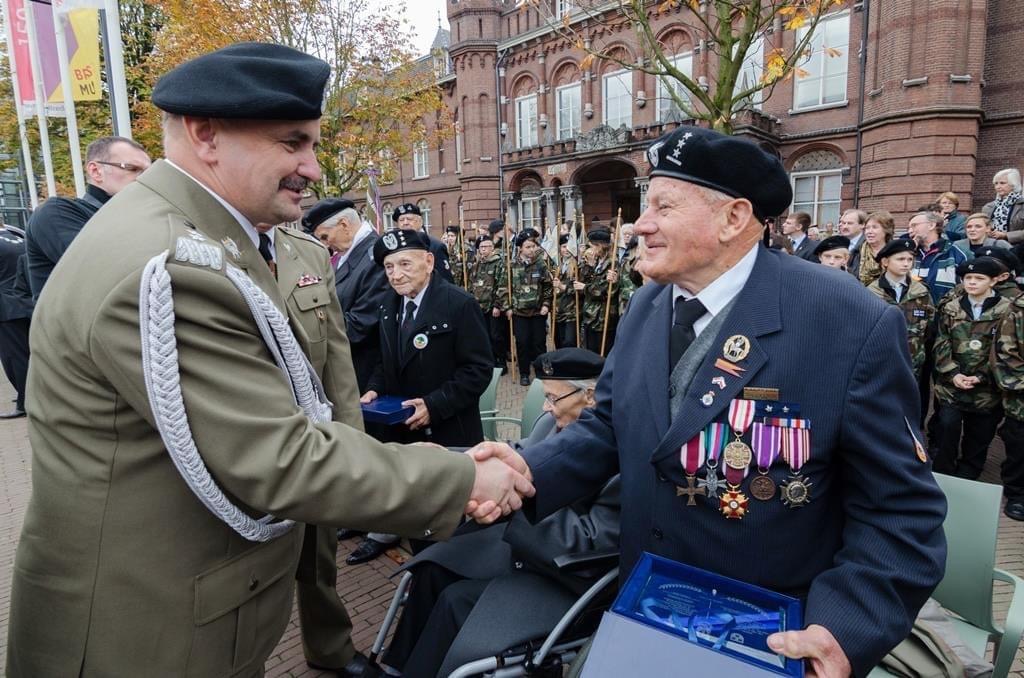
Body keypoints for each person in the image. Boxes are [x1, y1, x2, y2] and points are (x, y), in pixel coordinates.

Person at [6, 43, 532, 677]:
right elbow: (276, 457)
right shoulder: (172, 264)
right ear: (206, 134)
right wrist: (461, 479)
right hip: (148, 634)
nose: (312, 167)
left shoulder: (201, 240)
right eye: (292, 143)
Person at [468, 124, 947, 678]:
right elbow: (610, 426)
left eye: (663, 207)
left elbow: (900, 511)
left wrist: (842, 630)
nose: (640, 224)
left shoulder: (845, 320)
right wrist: (527, 469)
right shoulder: (648, 305)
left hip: (766, 635)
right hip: (648, 607)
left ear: (733, 218)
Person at [380, 348, 618, 678]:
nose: (545, 408)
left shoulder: (623, 453)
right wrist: (451, 461)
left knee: (455, 601)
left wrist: (514, 501)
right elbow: (515, 456)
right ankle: (397, 667)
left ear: (590, 396)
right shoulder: (553, 425)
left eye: (553, 398)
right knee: (431, 571)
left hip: (567, 574)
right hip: (526, 550)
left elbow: (591, 542)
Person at [250, 220, 363, 674]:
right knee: (246, 572)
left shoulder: (308, 252)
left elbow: (335, 352)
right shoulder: (192, 241)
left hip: (313, 434)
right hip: (244, 439)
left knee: (319, 556)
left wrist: (351, 441)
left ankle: (329, 647)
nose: (303, 184)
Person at [352, 228, 493, 565]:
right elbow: (386, 361)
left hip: (447, 432)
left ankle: (449, 579)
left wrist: (433, 405)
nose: (396, 275)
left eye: (405, 264)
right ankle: (422, 575)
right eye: (389, 267)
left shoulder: (459, 304)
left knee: (450, 523)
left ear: (429, 262)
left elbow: (477, 370)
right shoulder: (389, 305)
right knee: (416, 515)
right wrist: (374, 388)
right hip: (403, 433)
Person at [25, 135, 151, 299]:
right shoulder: (57, 212)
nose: (145, 178)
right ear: (96, 171)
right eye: (132, 169)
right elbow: (106, 271)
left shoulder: (138, 218)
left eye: (149, 172)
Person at [932, 256, 1013, 479]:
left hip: (987, 389)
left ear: (994, 281)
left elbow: (1006, 350)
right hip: (952, 386)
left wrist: (981, 376)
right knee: (946, 429)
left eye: (979, 278)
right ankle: (943, 475)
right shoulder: (951, 307)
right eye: (968, 278)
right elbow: (941, 343)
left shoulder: (1007, 310)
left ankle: (969, 475)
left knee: (979, 437)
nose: (972, 282)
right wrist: (953, 373)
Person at [303, 198, 390, 393]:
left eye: (325, 237)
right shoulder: (350, 254)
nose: (325, 244)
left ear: (344, 225)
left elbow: (361, 323)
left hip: (365, 371)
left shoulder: (375, 256)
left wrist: (309, 331)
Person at [866, 239, 934, 378]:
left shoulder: (921, 292)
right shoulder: (871, 293)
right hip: (880, 364)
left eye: (910, 259)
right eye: (900, 259)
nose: (906, 263)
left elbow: (930, 329)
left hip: (914, 365)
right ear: (885, 262)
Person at [499, 228, 553, 385]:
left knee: (539, 343)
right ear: (520, 248)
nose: (531, 250)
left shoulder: (541, 264)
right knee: (522, 342)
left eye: (533, 246)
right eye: (528, 247)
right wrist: (507, 308)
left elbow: (548, 286)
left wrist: (546, 304)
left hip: (537, 312)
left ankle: (541, 372)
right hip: (519, 312)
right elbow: (503, 288)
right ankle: (524, 373)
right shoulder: (511, 265)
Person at [994, 290, 1024, 521]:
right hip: (1021, 397)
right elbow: (1005, 351)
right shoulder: (1017, 309)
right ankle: (1017, 494)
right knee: (1019, 446)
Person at [0, 222, 32, 418]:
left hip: (6, 308)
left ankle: (24, 402)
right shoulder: (18, 237)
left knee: (14, 357)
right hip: (25, 302)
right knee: (28, 354)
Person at [576, 228, 619, 356]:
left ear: (600, 246)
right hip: (590, 315)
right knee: (590, 351)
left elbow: (604, 291)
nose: (589, 250)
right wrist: (589, 266)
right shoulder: (596, 261)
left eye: (592, 246)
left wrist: (584, 288)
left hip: (603, 316)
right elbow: (585, 279)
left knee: (603, 352)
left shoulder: (612, 263)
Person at [910, 211, 969, 304]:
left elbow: (967, 287)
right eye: (909, 227)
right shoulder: (909, 255)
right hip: (913, 310)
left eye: (914, 225)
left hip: (946, 310)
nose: (910, 231)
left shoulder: (957, 252)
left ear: (931, 225)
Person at [391, 203, 454, 283]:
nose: (405, 222)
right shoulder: (395, 248)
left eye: (409, 219)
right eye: (401, 220)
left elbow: (446, 281)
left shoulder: (435, 246)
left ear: (420, 221)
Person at [553, 234, 581, 348]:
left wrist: (562, 287)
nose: (567, 250)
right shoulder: (555, 264)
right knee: (559, 343)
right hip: (557, 311)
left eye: (569, 247)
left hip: (572, 312)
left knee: (569, 342)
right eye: (564, 246)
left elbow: (581, 289)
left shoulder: (579, 266)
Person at [982, 168, 1024, 241]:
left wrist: (1006, 235)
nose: (998, 187)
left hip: (1017, 246)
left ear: (1013, 185)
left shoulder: (1022, 205)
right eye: (996, 183)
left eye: (1002, 183)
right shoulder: (988, 207)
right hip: (991, 244)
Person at [854, 211, 894, 285]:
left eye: (874, 227)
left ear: (886, 230)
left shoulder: (896, 252)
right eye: (867, 228)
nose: (869, 231)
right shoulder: (856, 252)